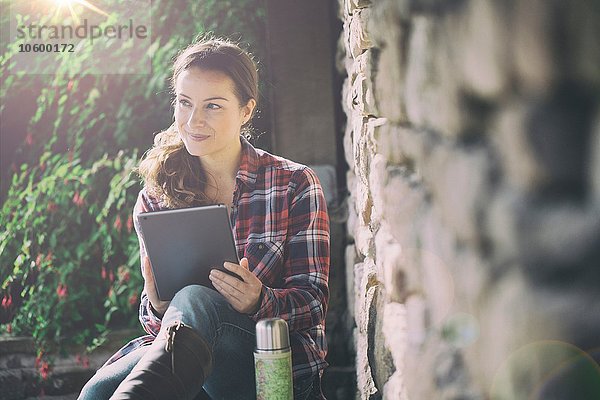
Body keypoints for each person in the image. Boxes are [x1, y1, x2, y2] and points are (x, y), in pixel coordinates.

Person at [78, 36, 330, 400]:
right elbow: (156, 326)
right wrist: (158, 303)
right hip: (187, 365)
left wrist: (259, 301)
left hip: (268, 366)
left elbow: (314, 303)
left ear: (246, 111)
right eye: (184, 103)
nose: (193, 121)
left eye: (212, 106)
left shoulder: (294, 183)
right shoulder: (156, 195)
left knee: (196, 299)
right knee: (96, 392)